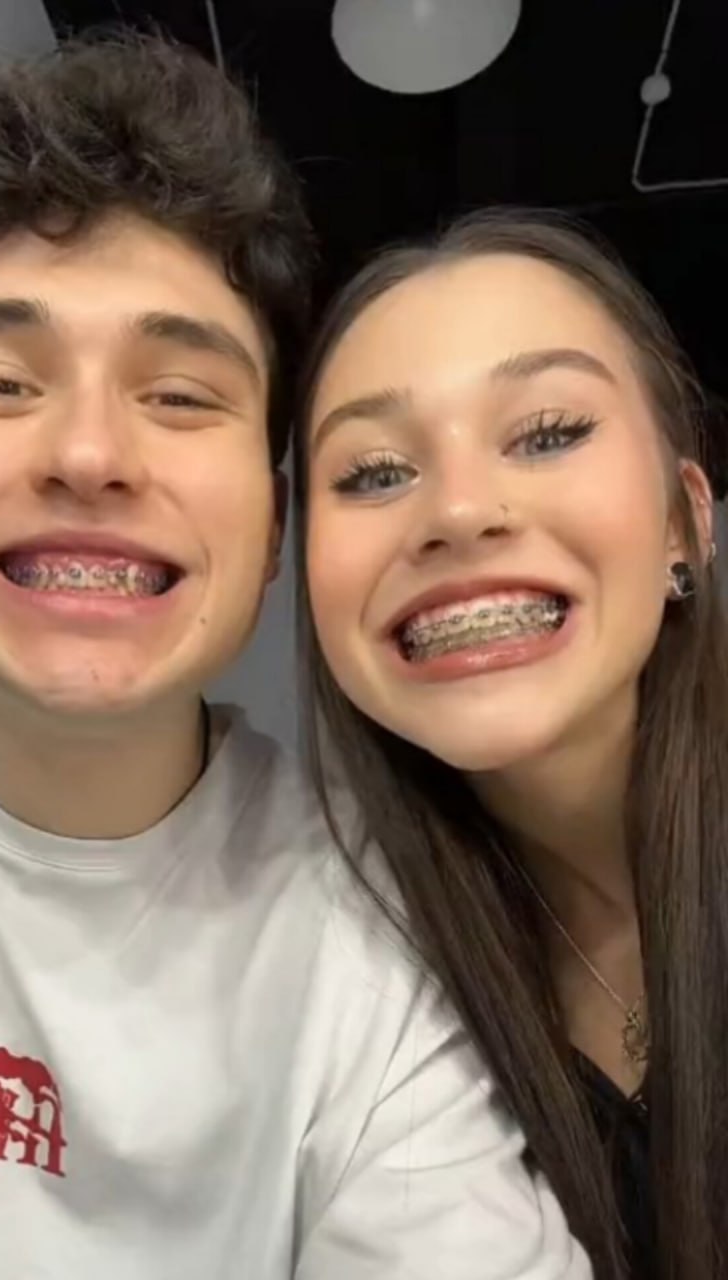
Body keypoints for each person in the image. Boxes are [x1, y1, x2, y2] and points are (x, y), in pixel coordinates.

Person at [0, 34, 589, 1280]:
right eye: (2, 382)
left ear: (272, 527)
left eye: (182, 396)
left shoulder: (378, 944)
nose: (90, 453)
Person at [295, 207, 728, 1280]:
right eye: (373, 472)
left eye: (547, 433)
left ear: (685, 522)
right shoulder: (339, 961)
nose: (459, 510)